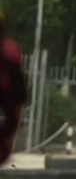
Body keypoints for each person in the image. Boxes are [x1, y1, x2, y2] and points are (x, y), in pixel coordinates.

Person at [0, 10, 26, 166]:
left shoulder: (10, 49)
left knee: (12, 120)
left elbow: (17, 79)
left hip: (5, 91)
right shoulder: (10, 49)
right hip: (6, 90)